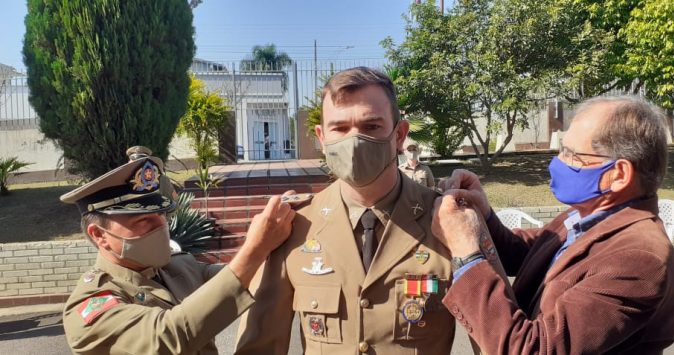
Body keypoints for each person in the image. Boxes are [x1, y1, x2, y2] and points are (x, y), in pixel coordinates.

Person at [431, 96, 674, 354]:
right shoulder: (585, 216)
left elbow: (533, 349)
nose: (557, 161)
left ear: (618, 175)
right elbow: (526, 253)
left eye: (571, 154)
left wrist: (466, 254)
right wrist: (484, 215)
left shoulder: (638, 258)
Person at [235, 67, 456, 354]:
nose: (354, 142)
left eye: (371, 127)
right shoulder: (293, 226)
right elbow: (258, 346)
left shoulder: (449, 222)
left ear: (400, 134)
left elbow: (494, 339)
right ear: (322, 137)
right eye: (339, 128)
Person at [60, 150, 296, 354]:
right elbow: (167, 337)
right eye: (143, 220)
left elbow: (242, 278)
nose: (161, 226)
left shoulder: (179, 266)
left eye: (162, 215)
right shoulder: (91, 305)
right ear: (99, 235)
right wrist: (255, 248)